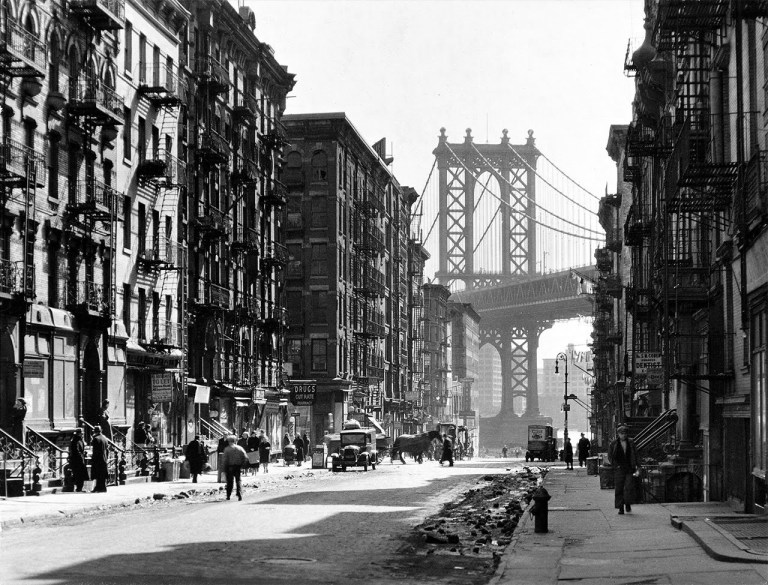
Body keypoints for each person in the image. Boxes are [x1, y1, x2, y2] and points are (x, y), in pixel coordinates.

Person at [608, 425, 639, 514]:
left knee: (629, 487)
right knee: (619, 488)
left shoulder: (631, 442)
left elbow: (636, 454)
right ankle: (620, 507)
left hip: (629, 468)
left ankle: (628, 503)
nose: (623, 435)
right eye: (622, 433)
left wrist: (637, 465)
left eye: (625, 433)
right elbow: (610, 456)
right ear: (618, 434)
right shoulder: (614, 444)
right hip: (619, 469)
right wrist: (615, 465)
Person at [221, 434, 248, 501]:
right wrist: (242, 465)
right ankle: (239, 494)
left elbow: (225, 460)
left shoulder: (227, 449)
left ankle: (228, 495)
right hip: (238, 467)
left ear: (229, 441)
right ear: (235, 441)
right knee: (238, 480)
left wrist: (223, 469)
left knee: (230, 482)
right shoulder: (240, 448)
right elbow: (245, 457)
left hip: (229, 467)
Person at [90, 425, 110, 493]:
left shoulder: (96, 439)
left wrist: (93, 459)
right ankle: (101, 487)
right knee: (102, 474)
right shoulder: (105, 438)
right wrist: (106, 457)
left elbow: (95, 451)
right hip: (104, 458)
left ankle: (99, 488)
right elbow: (107, 450)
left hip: (98, 459)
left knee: (98, 474)